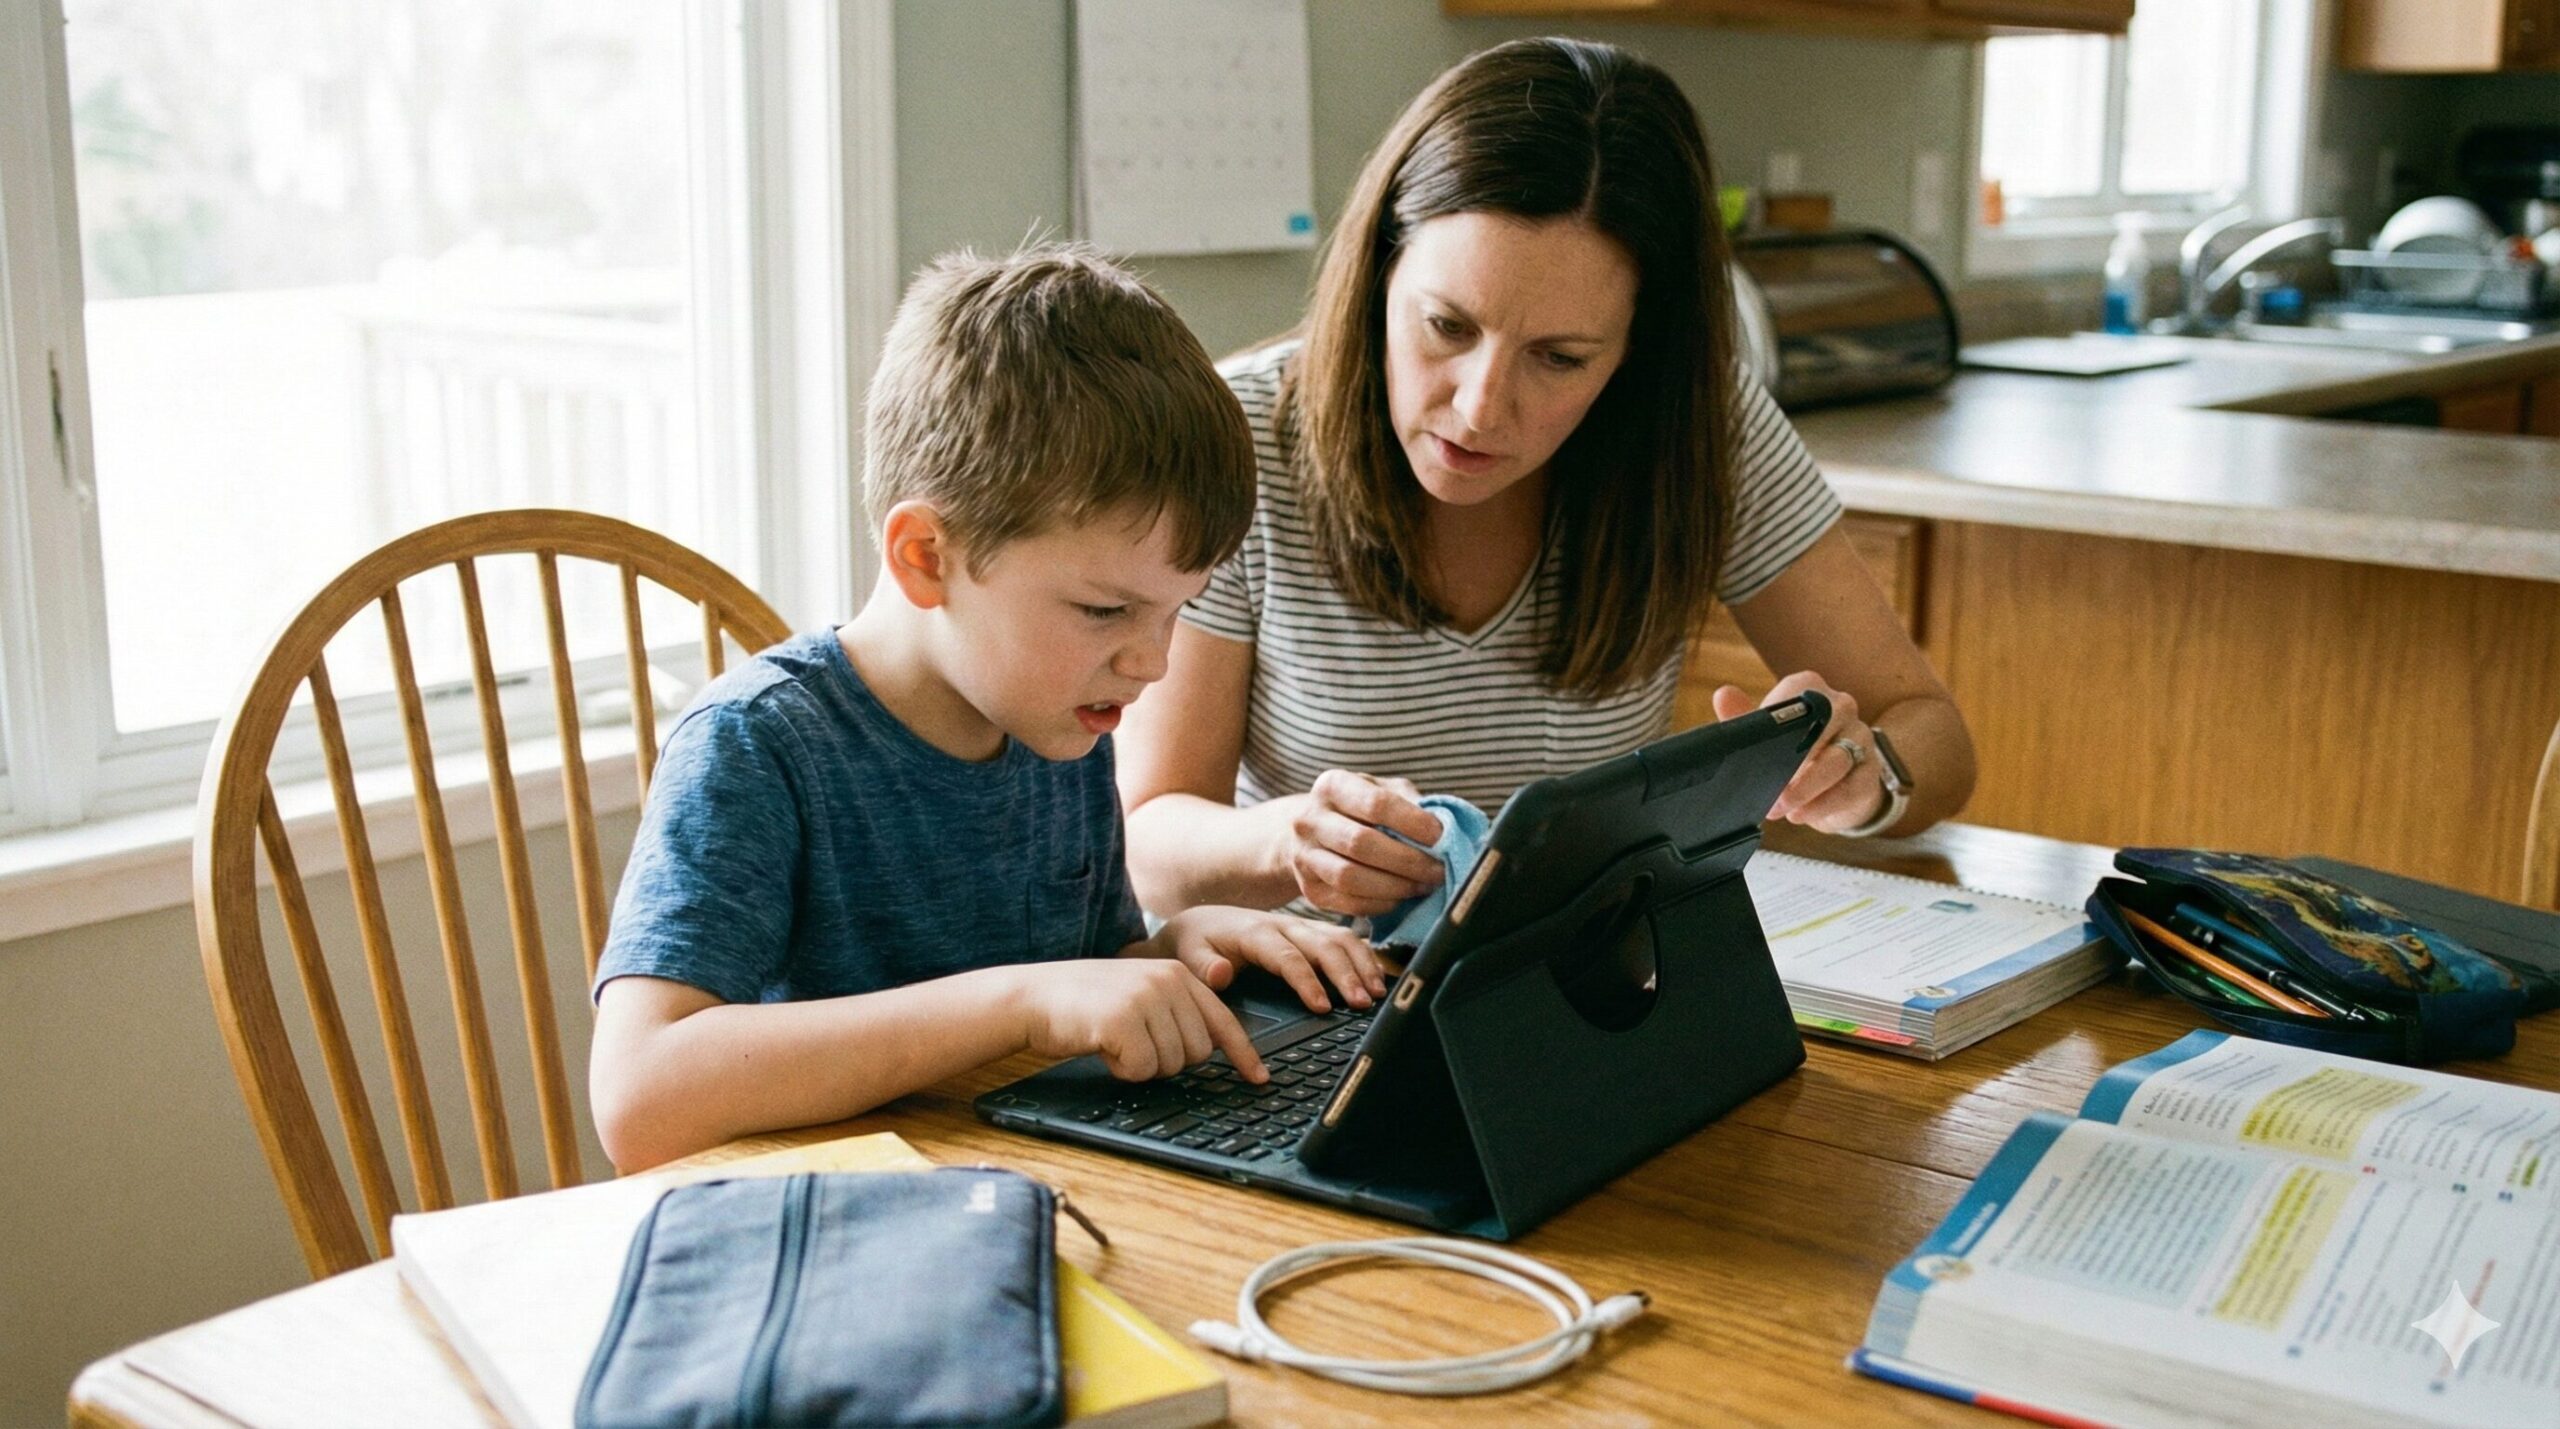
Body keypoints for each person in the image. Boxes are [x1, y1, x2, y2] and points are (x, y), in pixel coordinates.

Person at [1118, 37, 1977, 920]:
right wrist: (1285, 842)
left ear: (1635, 353)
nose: (1482, 408)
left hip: (1575, 986)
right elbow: (1147, 838)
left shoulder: (1700, 431)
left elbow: (1931, 733)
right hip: (1306, 995)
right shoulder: (1240, 438)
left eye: (1559, 358)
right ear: (1379, 272)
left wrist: (1866, 776)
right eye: (1448, 327)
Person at [588, 246, 1386, 1172]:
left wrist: (1168, 952)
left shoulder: (1060, 716)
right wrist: (1021, 999)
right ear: (926, 555)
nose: (1154, 661)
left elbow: (1081, 970)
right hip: (818, 1240)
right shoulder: (757, 746)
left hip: (1017, 1196)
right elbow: (639, 1098)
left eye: (1178, 609)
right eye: (1106, 609)